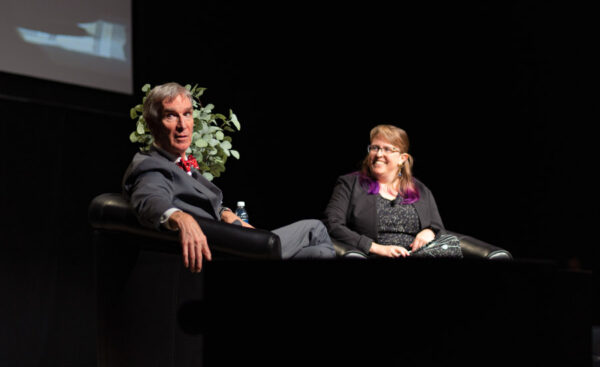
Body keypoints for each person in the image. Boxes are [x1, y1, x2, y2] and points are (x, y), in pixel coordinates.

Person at [122, 82, 335, 272]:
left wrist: (225, 213)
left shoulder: (179, 161)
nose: (182, 125)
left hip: (233, 236)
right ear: (152, 124)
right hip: (229, 249)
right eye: (171, 116)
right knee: (315, 229)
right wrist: (181, 218)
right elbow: (149, 199)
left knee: (321, 254)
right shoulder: (149, 165)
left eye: (187, 114)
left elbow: (200, 200)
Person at [323, 124, 462, 259]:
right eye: (374, 148)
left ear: (402, 158)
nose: (379, 154)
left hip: (417, 253)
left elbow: (439, 229)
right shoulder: (349, 183)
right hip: (376, 254)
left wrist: (429, 231)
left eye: (387, 149)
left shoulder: (420, 189)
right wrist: (377, 248)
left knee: (451, 244)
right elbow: (332, 224)